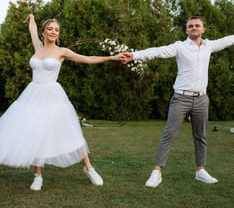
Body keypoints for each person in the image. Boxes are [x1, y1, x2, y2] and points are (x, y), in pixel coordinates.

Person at [0, 14, 125, 191]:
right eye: (50, 29)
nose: (53, 32)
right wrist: (32, 18)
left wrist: (112, 58)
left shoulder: (62, 52)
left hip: (53, 96)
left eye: (56, 30)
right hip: (33, 95)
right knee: (34, 133)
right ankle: (37, 176)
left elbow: (87, 59)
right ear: (44, 31)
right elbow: (32, 30)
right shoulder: (38, 47)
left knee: (70, 131)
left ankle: (89, 168)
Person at [123, 16, 234, 188]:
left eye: (197, 26)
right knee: (169, 134)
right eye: (190, 26)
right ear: (186, 30)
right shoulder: (179, 47)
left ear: (203, 29)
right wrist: (135, 55)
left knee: (201, 136)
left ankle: (200, 171)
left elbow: (228, 40)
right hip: (181, 98)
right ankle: (157, 172)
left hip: (201, 99)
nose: (194, 28)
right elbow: (157, 51)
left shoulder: (209, 46)